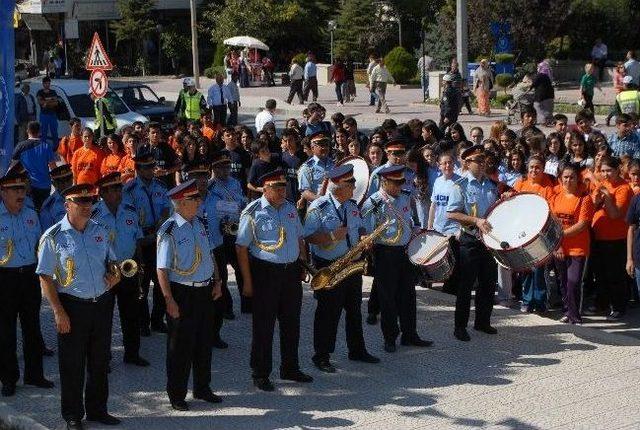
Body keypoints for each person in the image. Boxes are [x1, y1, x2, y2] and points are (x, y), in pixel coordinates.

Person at [37, 183, 122, 429]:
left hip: (101, 304)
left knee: (99, 361)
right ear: (67, 205)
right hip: (72, 306)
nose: (88, 206)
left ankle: (98, 410)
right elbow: (45, 276)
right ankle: (73, 415)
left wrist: (115, 274)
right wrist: (57, 311)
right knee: (73, 364)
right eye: (81, 202)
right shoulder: (52, 236)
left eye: (90, 202)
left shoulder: (100, 231)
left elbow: (112, 260)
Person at [236, 169, 313, 391]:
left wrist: (303, 262)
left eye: (284, 187)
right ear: (266, 189)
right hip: (265, 272)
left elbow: (299, 237)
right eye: (278, 188)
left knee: (291, 322)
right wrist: (248, 282)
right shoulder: (253, 211)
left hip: (290, 273)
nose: (283, 191)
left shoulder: (289, 208)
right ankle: (260, 372)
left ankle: (290, 367)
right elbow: (241, 248)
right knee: (264, 324)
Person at [304, 165, 380, 372]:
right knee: (328, 312)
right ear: (338, 186)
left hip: (352, 263)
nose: (355, 186)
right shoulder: (318, 207)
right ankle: (321, 355)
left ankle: (357, 350)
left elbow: (360, 225)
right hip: (330, 265)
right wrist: (330, 236)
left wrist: (364, 236)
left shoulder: (352, 205)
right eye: (351, 183)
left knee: (354, 310)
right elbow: (307, 236)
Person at [156, 179, 223, 411]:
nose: (199, 202)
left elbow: (210, 254)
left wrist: (218, 281)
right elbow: (162, 269)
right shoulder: (169, 230)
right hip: (182, 292)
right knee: (180, 347)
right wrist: (169, 300)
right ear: (182, 203)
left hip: (204, 290)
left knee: (204, 342)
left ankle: (203, 387)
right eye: (195, 199)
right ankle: (176, 394)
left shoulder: (200, 224)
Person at [361, 165, 432, 352]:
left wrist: (418, 233)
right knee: (387, 297)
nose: (400, 185)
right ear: (385, 182)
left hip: (405, 251)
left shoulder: (406, 196)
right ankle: (390, 337)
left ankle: (410, 334)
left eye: (402, 182)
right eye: (396, 182)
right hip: (385, 253)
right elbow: (366, 231)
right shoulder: (374, 202)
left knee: (408, 295)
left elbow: (413, 221)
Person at [0, 167, 54, 397]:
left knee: (32, 326)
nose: (20, 193)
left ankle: (35, 374)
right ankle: (9, 378)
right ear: (3, 192)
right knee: (5, 330)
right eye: (14, 189)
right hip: (4, 279)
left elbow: (40, 248)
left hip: (29, 276)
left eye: (22, 188)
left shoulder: (31, 215)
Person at [92, 172, 149, 367]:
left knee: (131, 314)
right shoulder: (94, 215)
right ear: (103, 193)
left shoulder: (130, 211)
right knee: (103, 318)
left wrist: (139, 264)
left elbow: (137, 239)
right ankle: (103, 358)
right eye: (115, 189)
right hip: (105, 272)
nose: (119, 192)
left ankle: (132, 354)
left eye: (120, 188)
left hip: (127, 269)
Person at [446, 145, 499, 341]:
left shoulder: (491, 185)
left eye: (484, 160)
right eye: (478, 160)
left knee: (488, 282)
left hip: (488, 241)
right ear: (468, 163)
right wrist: (476, 221)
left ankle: (482, 322)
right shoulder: (460, 185)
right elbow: (451, 213)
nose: (483, 163)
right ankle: (460, 326)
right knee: (466, 285)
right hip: (470, 239)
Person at [122, 153, 171, 336]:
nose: (151, 170)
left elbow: (167, 206)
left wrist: (163, 220)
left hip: (159, 238)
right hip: (141, 240)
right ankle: (143, 323)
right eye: (147, 167)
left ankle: (157, 319)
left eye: (152, 166)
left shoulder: (160, 186)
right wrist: (143, 237)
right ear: (138, 169)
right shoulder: (129, 190)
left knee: (160, 281)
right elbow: (129, 216)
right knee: (140, 283)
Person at [590, 155, 633, 320]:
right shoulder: (602, 184)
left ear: (617, 170)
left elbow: (615, 214)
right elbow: (593, 207)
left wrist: (607, 196)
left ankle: (618, 307)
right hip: (598, 236)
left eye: (609, 171)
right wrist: (596, 200)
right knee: (600, 274)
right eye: (602, 171)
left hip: (615, 239)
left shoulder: (624, 188)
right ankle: (602, 303)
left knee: (615, 275)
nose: (605, 174)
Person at [207, 153, 249, 315]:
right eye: (222, 168)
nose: (226, 171)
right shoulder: (210, 186)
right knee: (222, 273)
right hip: (219, 232)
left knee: (241, 267)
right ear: (214, 169)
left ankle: (247, 303)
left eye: (227, 167)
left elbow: (241, 202)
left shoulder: (235, 183)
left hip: (235, 229)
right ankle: (227, 307)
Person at [512, 155, 555, 313]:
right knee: (526, 268)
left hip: (541, 235)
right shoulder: (520, 184)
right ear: (527, 169)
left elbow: (549, 211)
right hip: (524, 233)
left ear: (543, 169)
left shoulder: (548, 187)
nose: (534, 170)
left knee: (539, 270)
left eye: (537, 167)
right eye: (531, 167)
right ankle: (527, 300)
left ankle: (541, 301)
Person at [552, 163, 594, 324]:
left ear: (578, 179)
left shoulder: (584, 198)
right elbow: (552, 223)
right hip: (559, 247)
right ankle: (567, 311)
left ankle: (575, 316)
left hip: (578, 247)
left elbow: (582, 224)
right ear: (560, 179)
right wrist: (558, 244)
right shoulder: (555, 197)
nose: (568, 180)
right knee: (563, 282)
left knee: (573, 281)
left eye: (572, 177)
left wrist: (560, 236)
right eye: (566, 177)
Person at [428, 153, 462, 295]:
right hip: (438, 228)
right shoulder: (437, 181)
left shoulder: (460, 181)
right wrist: (429, 226)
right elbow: (433, 205)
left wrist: (460, 228)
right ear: (439, 165)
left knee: (454, 261)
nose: (447, 166)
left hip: (453, 229)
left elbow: (463, 207)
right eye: (444, 163)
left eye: (450, 163)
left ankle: (451, 291)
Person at [12, 121, 57, 210]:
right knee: (43, 211)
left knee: (30, 212)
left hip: (28, 187)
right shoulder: (46, 146)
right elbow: (53, 168)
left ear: (27, 131)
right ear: (39, 132)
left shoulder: (20, 146)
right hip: (45, 186)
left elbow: (12, 168)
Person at [298, 132, 335, 205]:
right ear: (312, 148)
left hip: (334, 207)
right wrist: (321, 200)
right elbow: (305, 192)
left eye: (326, 145)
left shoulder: (334, 164)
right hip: (317, 208)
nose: (324, 148)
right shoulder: (307, 167)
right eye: (321, 145)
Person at [40, 164, 73, 230]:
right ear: (54, 184)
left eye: (68, 180)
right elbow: (47, 232)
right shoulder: (49, 206)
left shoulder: (80, 199)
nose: (66, 184)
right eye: (62, 182)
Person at [36, 76, 59, 147]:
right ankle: (43, 147)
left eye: (48, 83)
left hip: (53, 115)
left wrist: (46, 102)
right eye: (46, 83)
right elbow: (40, 102)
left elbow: (56, 103)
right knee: (43, 132)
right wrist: (50, 100)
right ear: (43, 84)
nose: (47, 85)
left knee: (54, 132)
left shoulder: (53, 92)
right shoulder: (40, 92)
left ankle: (56, 147)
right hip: (44, 115)